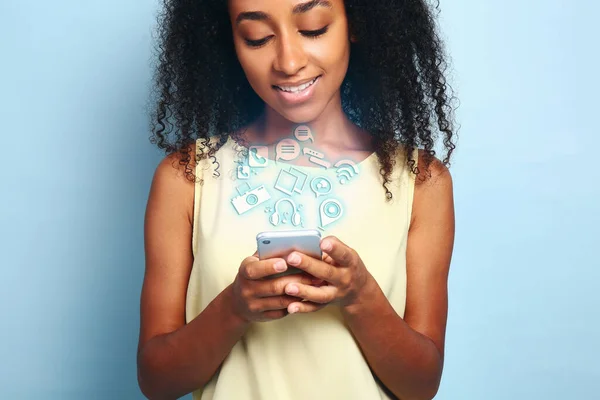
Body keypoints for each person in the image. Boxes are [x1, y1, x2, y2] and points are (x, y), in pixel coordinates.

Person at [137, 0, 457, 399]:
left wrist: (360, 297)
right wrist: (234, 308)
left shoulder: (419, 181)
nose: (288, 62)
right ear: (228, 41)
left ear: (355, 23)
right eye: (258, 38)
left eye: (313, 28)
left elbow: (421, 385)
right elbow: (156, 381)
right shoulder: (187, 176)